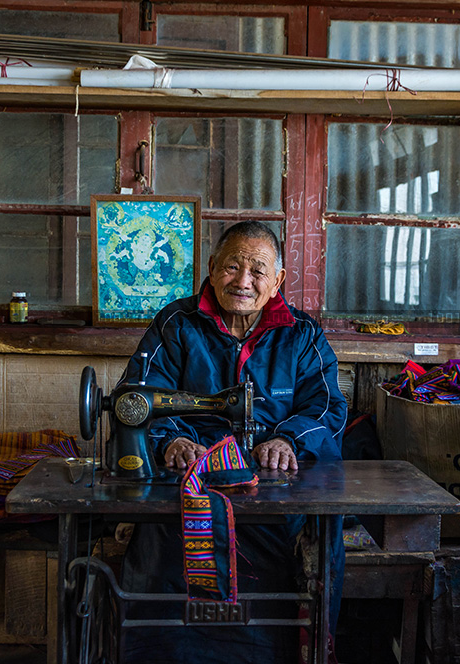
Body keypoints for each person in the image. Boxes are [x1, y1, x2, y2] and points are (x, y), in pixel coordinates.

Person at [117, 221, 348, 663]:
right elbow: (139, 397)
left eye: (258, 270)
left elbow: (327, 408)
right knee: (162, 543)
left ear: (277, 280)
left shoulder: (302, 335)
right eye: (231, 267)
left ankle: (289, 647)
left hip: (274, 491)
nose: (243, 281)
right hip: (188, 485)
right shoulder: (176, 325)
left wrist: (287, 440)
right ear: (211, 268)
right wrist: (170, 442)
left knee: (316, 534)